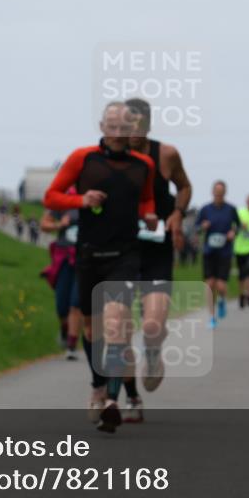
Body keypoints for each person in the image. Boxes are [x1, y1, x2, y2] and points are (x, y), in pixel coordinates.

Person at [43, 102, 157, 433]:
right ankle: (97, 384)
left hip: (125, 254)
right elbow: (52, 197)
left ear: (132, 128)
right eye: (111, 125)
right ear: (101, 126)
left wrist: (148, 215)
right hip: (90, 254)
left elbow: (147, 199)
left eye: (124, 126)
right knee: (93, 331)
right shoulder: (83, 158)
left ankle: (110, 398)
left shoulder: (143, 165)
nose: (117, 131)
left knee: (116, 322)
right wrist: (81, 200)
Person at [124, 98, 192, 422]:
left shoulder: (166, 154)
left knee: (152, 325)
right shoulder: (109, 157)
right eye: (127, 125)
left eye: (139, 126)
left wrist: (178, 213)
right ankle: (129, 397)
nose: (133, 133)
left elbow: (185, 186)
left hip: (156, 250)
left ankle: (153, 352)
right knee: (117, 332)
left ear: (148, 126)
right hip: (120, 252)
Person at [39, 190, 81, 361]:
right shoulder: (64, 198)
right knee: (61, 305)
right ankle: (65, 329)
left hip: (85, 259)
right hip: (64, 258)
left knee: (75, 303)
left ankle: (71, 345)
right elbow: (44, 224)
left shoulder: (96, 196)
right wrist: (60, 225)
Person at [196, 180, 239, 328]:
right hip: (209, 251)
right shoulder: (205, 209)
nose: (218, 194)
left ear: (224, 193)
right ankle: (212, 317)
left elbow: (237, 225)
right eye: (216, 191)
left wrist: (233, 232)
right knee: (209, 285)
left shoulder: (231, 209)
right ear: (212, 192)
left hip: (224, 251)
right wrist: (202, 226)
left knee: (220, 285)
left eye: (221, 192)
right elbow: (197, 227)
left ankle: (222, 300)